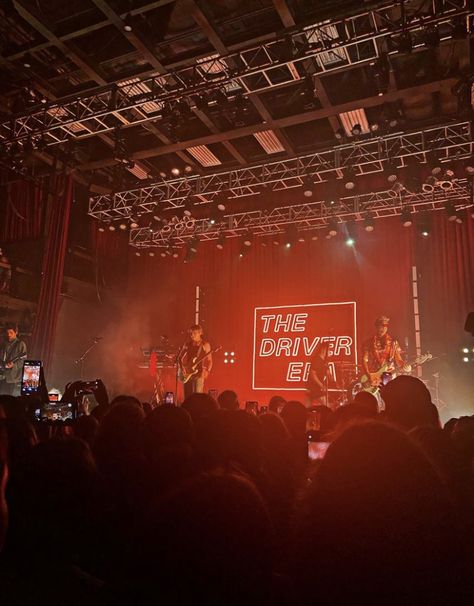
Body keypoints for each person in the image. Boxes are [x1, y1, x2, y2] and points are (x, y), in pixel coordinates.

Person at [361, 316, 411, 393]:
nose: (383, 328)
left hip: (389, 376)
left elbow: (399, 360)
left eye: (385, 326)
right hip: (374, 377)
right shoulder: (368, 343)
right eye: (380, 326)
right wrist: (369, 375)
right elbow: (364, 360)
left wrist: (406, 366)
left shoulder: (393, 343)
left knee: (390, 400)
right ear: (376, 327)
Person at [178, 324, 212, 398]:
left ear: (200, 333)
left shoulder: (205, 345)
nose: (192, 335)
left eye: (194, 333)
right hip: (187, 372)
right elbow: (179, 358)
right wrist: (182, 367)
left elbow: (210, 360)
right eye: (190, 333)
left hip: (199, 373)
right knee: (187, 395)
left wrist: (208, 371)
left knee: (198, 395)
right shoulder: (187, 344)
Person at [0, 323, 27, 397]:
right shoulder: (4, 344)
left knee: (9, 400)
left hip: (13, 378)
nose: (9, 335)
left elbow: (23, 360)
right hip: (2, 376)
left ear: (16, 332)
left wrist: (13, 365)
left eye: (11, 333)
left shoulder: (21, 344)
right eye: (7, 333)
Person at [305, 341, 330, 407]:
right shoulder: (317, 360)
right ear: (323, 350)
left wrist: (335, 382)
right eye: (329, 349)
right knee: (326, 404)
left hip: (313, 387)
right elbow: (313, 374)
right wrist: (321, 385)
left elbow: (328, 373)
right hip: (313, 387)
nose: (330, 351)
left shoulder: (324, 361)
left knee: (308, 407)